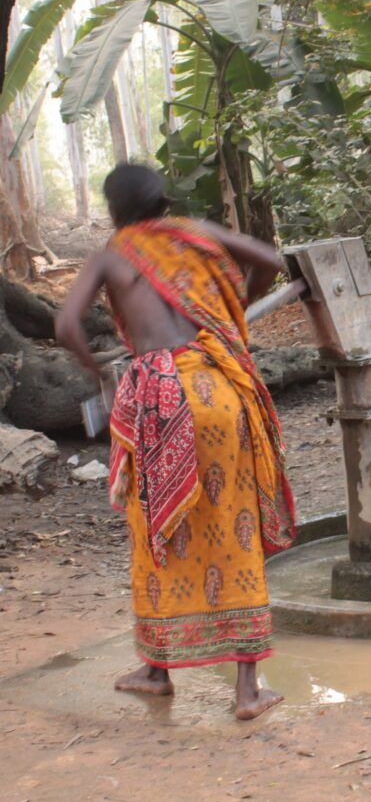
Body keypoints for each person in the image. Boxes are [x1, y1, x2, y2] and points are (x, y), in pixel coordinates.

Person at [55, 164, 296, 720]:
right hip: (220, 386)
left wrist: (98, 371)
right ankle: (246, 691)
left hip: (159, 395)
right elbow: (270, 260)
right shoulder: (195, 231)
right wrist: (233, 317)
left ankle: (157, 670)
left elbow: (66, 326)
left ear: (114, 208)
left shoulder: (111, 255)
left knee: (154, 524)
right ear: (162, 199)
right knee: (235, 526)